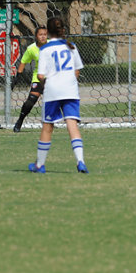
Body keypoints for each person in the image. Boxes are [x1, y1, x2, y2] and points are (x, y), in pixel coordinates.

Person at [28, 17, 88, 174]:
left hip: (53, 91)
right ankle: (80, 161)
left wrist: (49, 81)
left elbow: (40, 75)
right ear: (63, 30)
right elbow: (77, 71)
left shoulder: (45, 49)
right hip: (70, 91)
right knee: (72, 125)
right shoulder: (71, 46)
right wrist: (68, 81)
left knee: (48, 127)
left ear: (48, 32)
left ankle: (39, 165)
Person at [13, 26, 47, 132]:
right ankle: (20, 121)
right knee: (31, 100)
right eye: (40, 34)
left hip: (52, 78)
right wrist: (17, 77)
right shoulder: (31, 48)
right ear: (36, 36)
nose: (43, 37)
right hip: (38, 78)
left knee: (60, 101)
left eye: (45, 34)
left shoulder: (52, 45)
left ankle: (70, 121)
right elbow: (23, 62)